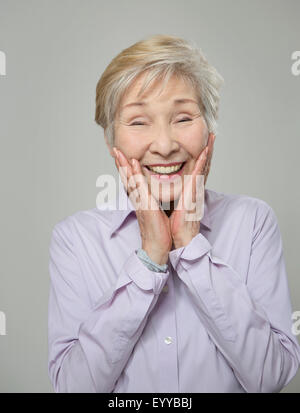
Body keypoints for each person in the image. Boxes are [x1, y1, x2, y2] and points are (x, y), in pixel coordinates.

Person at [48, 34, 300, 392]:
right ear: (110, 140)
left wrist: (190, 245)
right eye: (138, 122)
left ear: (209, 129)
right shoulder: (76, 239)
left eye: (183, 118)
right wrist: (151, 257)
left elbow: (269, 378)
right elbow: (73, 387)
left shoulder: (253, 221)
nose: (165, 146)